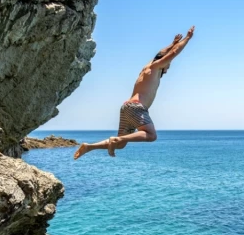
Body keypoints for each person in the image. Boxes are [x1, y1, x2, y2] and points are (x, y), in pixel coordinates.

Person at [74, 26, 195, 159]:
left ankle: (89, 147)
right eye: (168, 65)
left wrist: (172, 44)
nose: (167, 69)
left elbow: (159, 54)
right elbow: (174, 53)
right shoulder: (156, 67)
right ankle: (116, 139)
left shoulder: (147, 67)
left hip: (127, 107)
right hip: (137, 108)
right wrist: (187, 38)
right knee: (151, 135)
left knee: (121, 144)